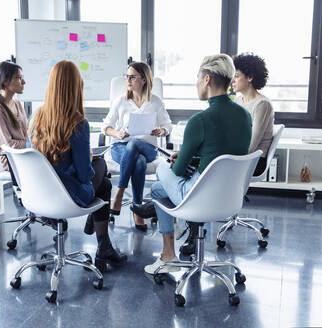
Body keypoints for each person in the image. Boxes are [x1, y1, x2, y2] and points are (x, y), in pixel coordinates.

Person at [133, 54, 252, 274]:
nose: (196, 84)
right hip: (229, 199)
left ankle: (168, 255)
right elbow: (222, 156)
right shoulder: (245, 116)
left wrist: (180, 159)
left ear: (207, 79)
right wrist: (194, 155)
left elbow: (177, 171)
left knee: (162, 169)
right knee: (160, 190)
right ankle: (169, 245)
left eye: (197, 78)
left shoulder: (199, 121)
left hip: (199, 199)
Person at [30, 60, 127, 271]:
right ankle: (103, 246)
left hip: (40, 195)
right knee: (101, 167)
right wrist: (89, 157)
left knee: (105, 186)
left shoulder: (36, 118)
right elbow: (85, 176)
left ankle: (104, 245)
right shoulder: (78, 123)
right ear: (76, 87)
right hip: (69, 196)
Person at [102, 61, 172, 231]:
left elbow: (168, 125)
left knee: (135, 145)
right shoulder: (121, 101)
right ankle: (138, 210)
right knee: (138, 160)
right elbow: (106, 126)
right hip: (121, 147)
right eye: (127, 76)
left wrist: (161, 131)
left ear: (144, 79)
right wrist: (118, 133)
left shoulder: (156, 102)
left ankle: (119, 193)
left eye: (132, 77)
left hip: (148, 148)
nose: (128, 80)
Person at [232, 52, 274, 176]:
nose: (232, 80)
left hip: (254, 161)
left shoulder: (262, 104)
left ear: (250, 77)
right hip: (240, 156)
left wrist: (230, 157)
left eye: (237, 76)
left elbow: (252, 145)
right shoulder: (237, 100)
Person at [0, 61, 28, 170]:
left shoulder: (17, 103)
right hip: (14, 161)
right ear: (4, 82)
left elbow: (26, 133)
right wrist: (29, 144)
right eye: (18, 78)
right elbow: (7, 145)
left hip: (26, 155)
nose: (23, 82)